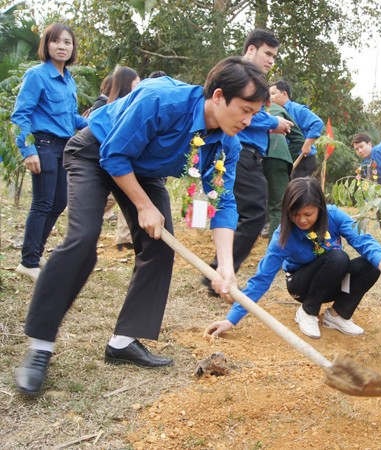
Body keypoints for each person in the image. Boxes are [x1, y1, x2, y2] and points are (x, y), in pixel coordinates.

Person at [13, 56, 270, 397]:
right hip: (97, 152)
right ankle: (40, 345)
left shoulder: (226, 144)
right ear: (219, 96)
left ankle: (122, 342)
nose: (249, 120)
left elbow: (223, 204)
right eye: (246, 110)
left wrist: (224, 267)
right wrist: (144, 205)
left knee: (160, 247)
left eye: (255, 113)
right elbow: (114, 154)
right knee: (83, 238)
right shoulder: (161, 99)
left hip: (144, 171)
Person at [204, 177, 381, 339]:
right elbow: (261, 280)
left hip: (332, 278)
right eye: (295, 214)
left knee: (371, 264)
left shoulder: (334, 216)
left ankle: (338, 315)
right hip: (301, 284)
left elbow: (362, 239)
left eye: (308, 214)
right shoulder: (283, 236)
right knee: (338, 257)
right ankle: (308, 311)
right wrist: (230, 320)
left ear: (320, 209)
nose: (302, 220)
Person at [204, 29, 293, 293]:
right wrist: (272, 121)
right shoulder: (235, 76)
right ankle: (220, 272)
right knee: (254, 211)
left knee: (244, 209)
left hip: (247, 153)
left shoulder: (258, 83)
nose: (271, 61)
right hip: (238, 151)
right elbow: (243, 115)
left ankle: (222, 270)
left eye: (274, 56)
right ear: (251, 49)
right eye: (267, 53)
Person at [11, 23, 87, 282]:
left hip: (65, 147)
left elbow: (70, 117)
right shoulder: (37, 75)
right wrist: (27, 150)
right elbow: (21, 115)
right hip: (43, 145)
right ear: (46, 45)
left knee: (59, 201)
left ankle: (35, 252)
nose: (63, 46)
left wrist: (96, 122)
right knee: (43, 203)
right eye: (57, 41)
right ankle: (28, 262)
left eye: (68, 42)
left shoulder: (69, 79)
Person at [95, 67, 141, 249]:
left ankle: (125, 237)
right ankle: (90, 216)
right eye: (136, 82)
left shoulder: (135, 105)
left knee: (127, 198)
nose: (139, 86)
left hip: (124, 162)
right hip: (107, 161)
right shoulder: (106, 105)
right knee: (109, 198)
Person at [262, 102, 304, 239]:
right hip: (277, 158)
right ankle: (274, 249)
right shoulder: (278, 109)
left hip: (250, 156)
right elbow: (298, 138)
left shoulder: (244, 104)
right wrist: (286, 157)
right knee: (278, 206)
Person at [269, 80, 324, 178]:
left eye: (273, 94)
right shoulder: (273, 112)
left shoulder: (297, 109)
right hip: (287, 159)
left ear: (284, 93)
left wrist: (307, 144)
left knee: (298, 190)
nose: (271, 97)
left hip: (303, 159)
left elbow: (317, 123)